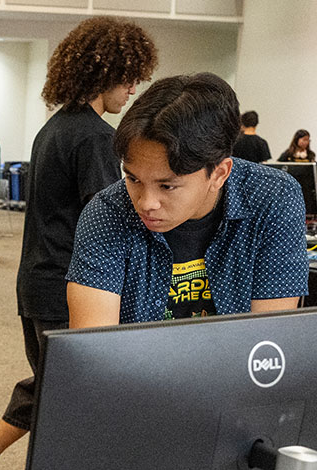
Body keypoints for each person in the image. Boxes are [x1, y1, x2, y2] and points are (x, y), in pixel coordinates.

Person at [0, 17, 157, 470]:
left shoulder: (54, 128)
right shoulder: (94, 137)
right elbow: (109, 217)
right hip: (70, 286)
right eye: (129, 78)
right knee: (72, 396)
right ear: (105, 71)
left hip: (38, 281)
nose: (132, 90)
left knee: (53, 384)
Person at [67, 73, 308, 326]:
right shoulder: (107, 213)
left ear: (219, 174)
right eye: (133, 179)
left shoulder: (273, 198)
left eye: (167, 186)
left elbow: (268, 337)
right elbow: (95, 344)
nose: (146, 203)